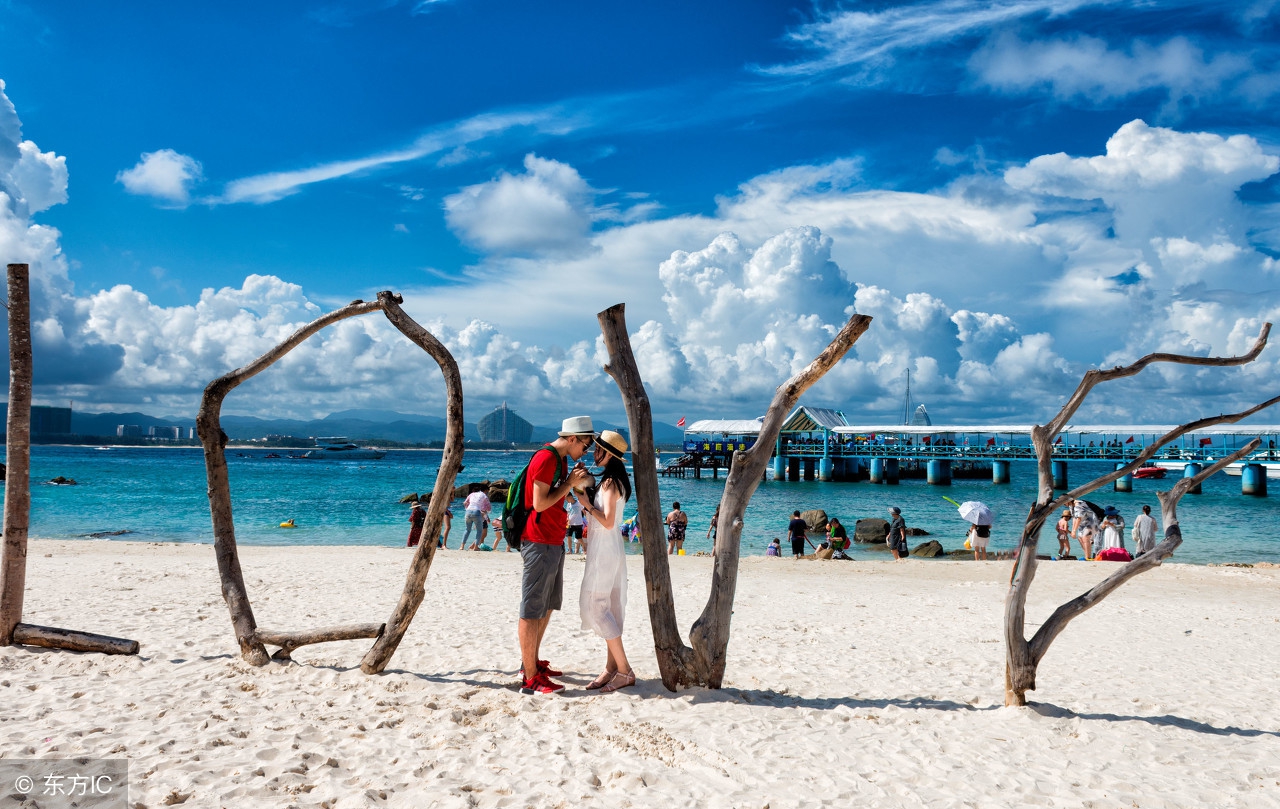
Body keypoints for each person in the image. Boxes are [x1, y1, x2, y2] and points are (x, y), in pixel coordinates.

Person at [517, 415, 596, 695]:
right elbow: (539, 504)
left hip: (553, 537)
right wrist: (568, 483)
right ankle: (529, 678)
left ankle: (531, 663)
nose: (586, 450)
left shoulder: (560, 461)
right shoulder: (546, 458)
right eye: (585, 445)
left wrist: (574, 480)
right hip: (538, 539)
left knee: (548, 604)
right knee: (532, 609)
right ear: (572, 438)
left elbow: (563, 494)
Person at [574, 430, 636, 694]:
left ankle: (624, 670)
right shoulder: (612, 481)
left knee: (597, 606)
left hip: (605, 548)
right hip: (611, 547)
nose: (594, 453)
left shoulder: (610, 483)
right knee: (611, 606)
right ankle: (611, 668)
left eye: (598, 449)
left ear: (609, 454)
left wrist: (586, 505)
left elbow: (609, 521)